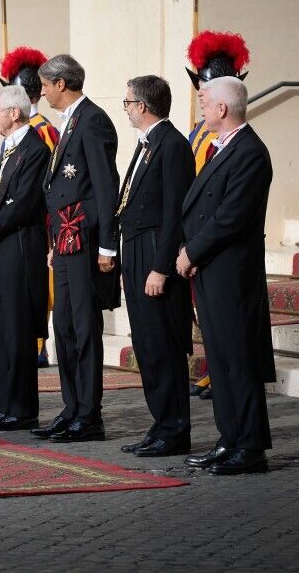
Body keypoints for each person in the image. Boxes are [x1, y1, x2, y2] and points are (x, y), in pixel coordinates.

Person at [175, 76, 275, 476]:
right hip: (211, 269)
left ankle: (250, 447)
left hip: (232, 273)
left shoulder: (250, 152)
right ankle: (229, 438)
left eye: (206, 102)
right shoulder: (222, 148)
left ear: (222, 110)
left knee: (238, 359)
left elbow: (230, 217)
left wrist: (191, 251)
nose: (201, 107)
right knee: (219, 359)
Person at [33, 54, 120, 443]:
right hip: (66, 242)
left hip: (85, 241)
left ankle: (90, 414)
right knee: (64, 325)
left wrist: (107, 247)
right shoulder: (70, 122)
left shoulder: (93, 120)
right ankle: (71, 408)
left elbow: (104, 187)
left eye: (46, 85)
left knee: (84, 329)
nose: (43, 92)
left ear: (61, 83)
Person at [115, 76, 195, 457]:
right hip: (135, 250)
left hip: (153, 253)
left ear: (143, 106)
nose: (126, 108)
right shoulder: (148, 144)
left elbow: (174, 214)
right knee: (146, 345)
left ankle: (175, 429)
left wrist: (161, 267)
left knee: (162, 344)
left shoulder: (173, 145)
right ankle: (160, 422)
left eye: (128, 102)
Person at [0, 86, 50, 431]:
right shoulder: (5, 148)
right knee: (0, 330)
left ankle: (21, 408)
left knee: (17, 331)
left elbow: (22, 203)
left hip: (18, 247)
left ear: (13, 114)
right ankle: (4, 406)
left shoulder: (35, 149)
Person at [185, 31, 250, 399]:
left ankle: (215, 370)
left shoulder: (239, 144)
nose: (200, 96)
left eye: (206, 89)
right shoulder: (199, 132)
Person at [0, 46, 60, 368]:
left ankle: (38, 343)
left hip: (39, 221)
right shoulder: (31, 129)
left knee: (38, 287)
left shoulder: (42, 132)